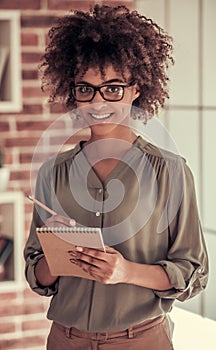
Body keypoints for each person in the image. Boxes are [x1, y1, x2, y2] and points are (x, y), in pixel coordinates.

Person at [24, 4, 208, 350]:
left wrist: (126, 272)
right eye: (85, 88)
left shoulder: (169, 170)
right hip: (65, 339)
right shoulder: (53, 172)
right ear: (72, 91)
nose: (97, 101)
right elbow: (36, 272)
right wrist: (58, 254)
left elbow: (194, 272)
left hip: (140, 339)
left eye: (112, 88)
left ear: (136, 89)